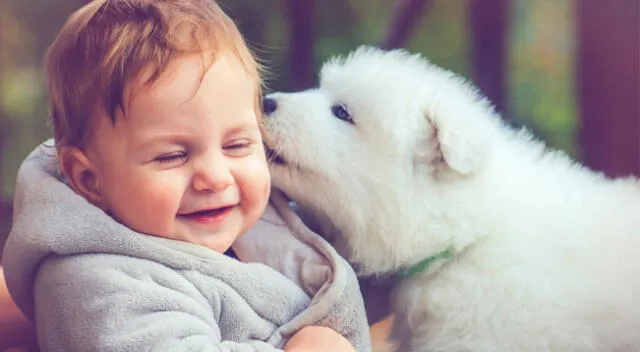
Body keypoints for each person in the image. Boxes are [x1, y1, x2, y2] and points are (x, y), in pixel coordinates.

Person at [1, 1, 371, 351]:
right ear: (89, 180)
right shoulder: (97, 285)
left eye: (238, 145)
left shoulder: (260, 227)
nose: (215, 177)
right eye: (173, 156)